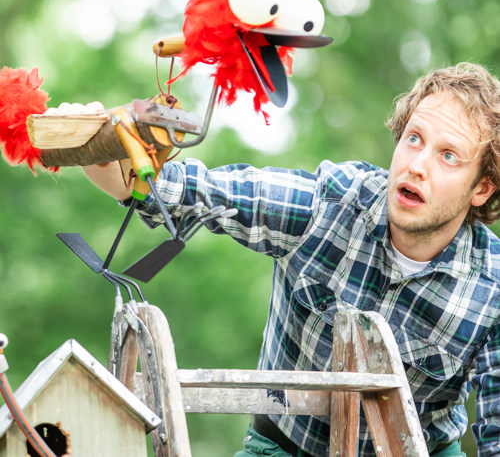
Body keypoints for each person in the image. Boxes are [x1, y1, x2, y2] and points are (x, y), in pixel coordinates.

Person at [80, 62, 500, 456]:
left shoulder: (492, 287)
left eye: (448, 156)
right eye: (414, 139)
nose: (417, 166)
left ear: (481, 187)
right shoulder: (332, 205)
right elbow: (194, 191)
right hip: (285, 445)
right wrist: (104, 156)